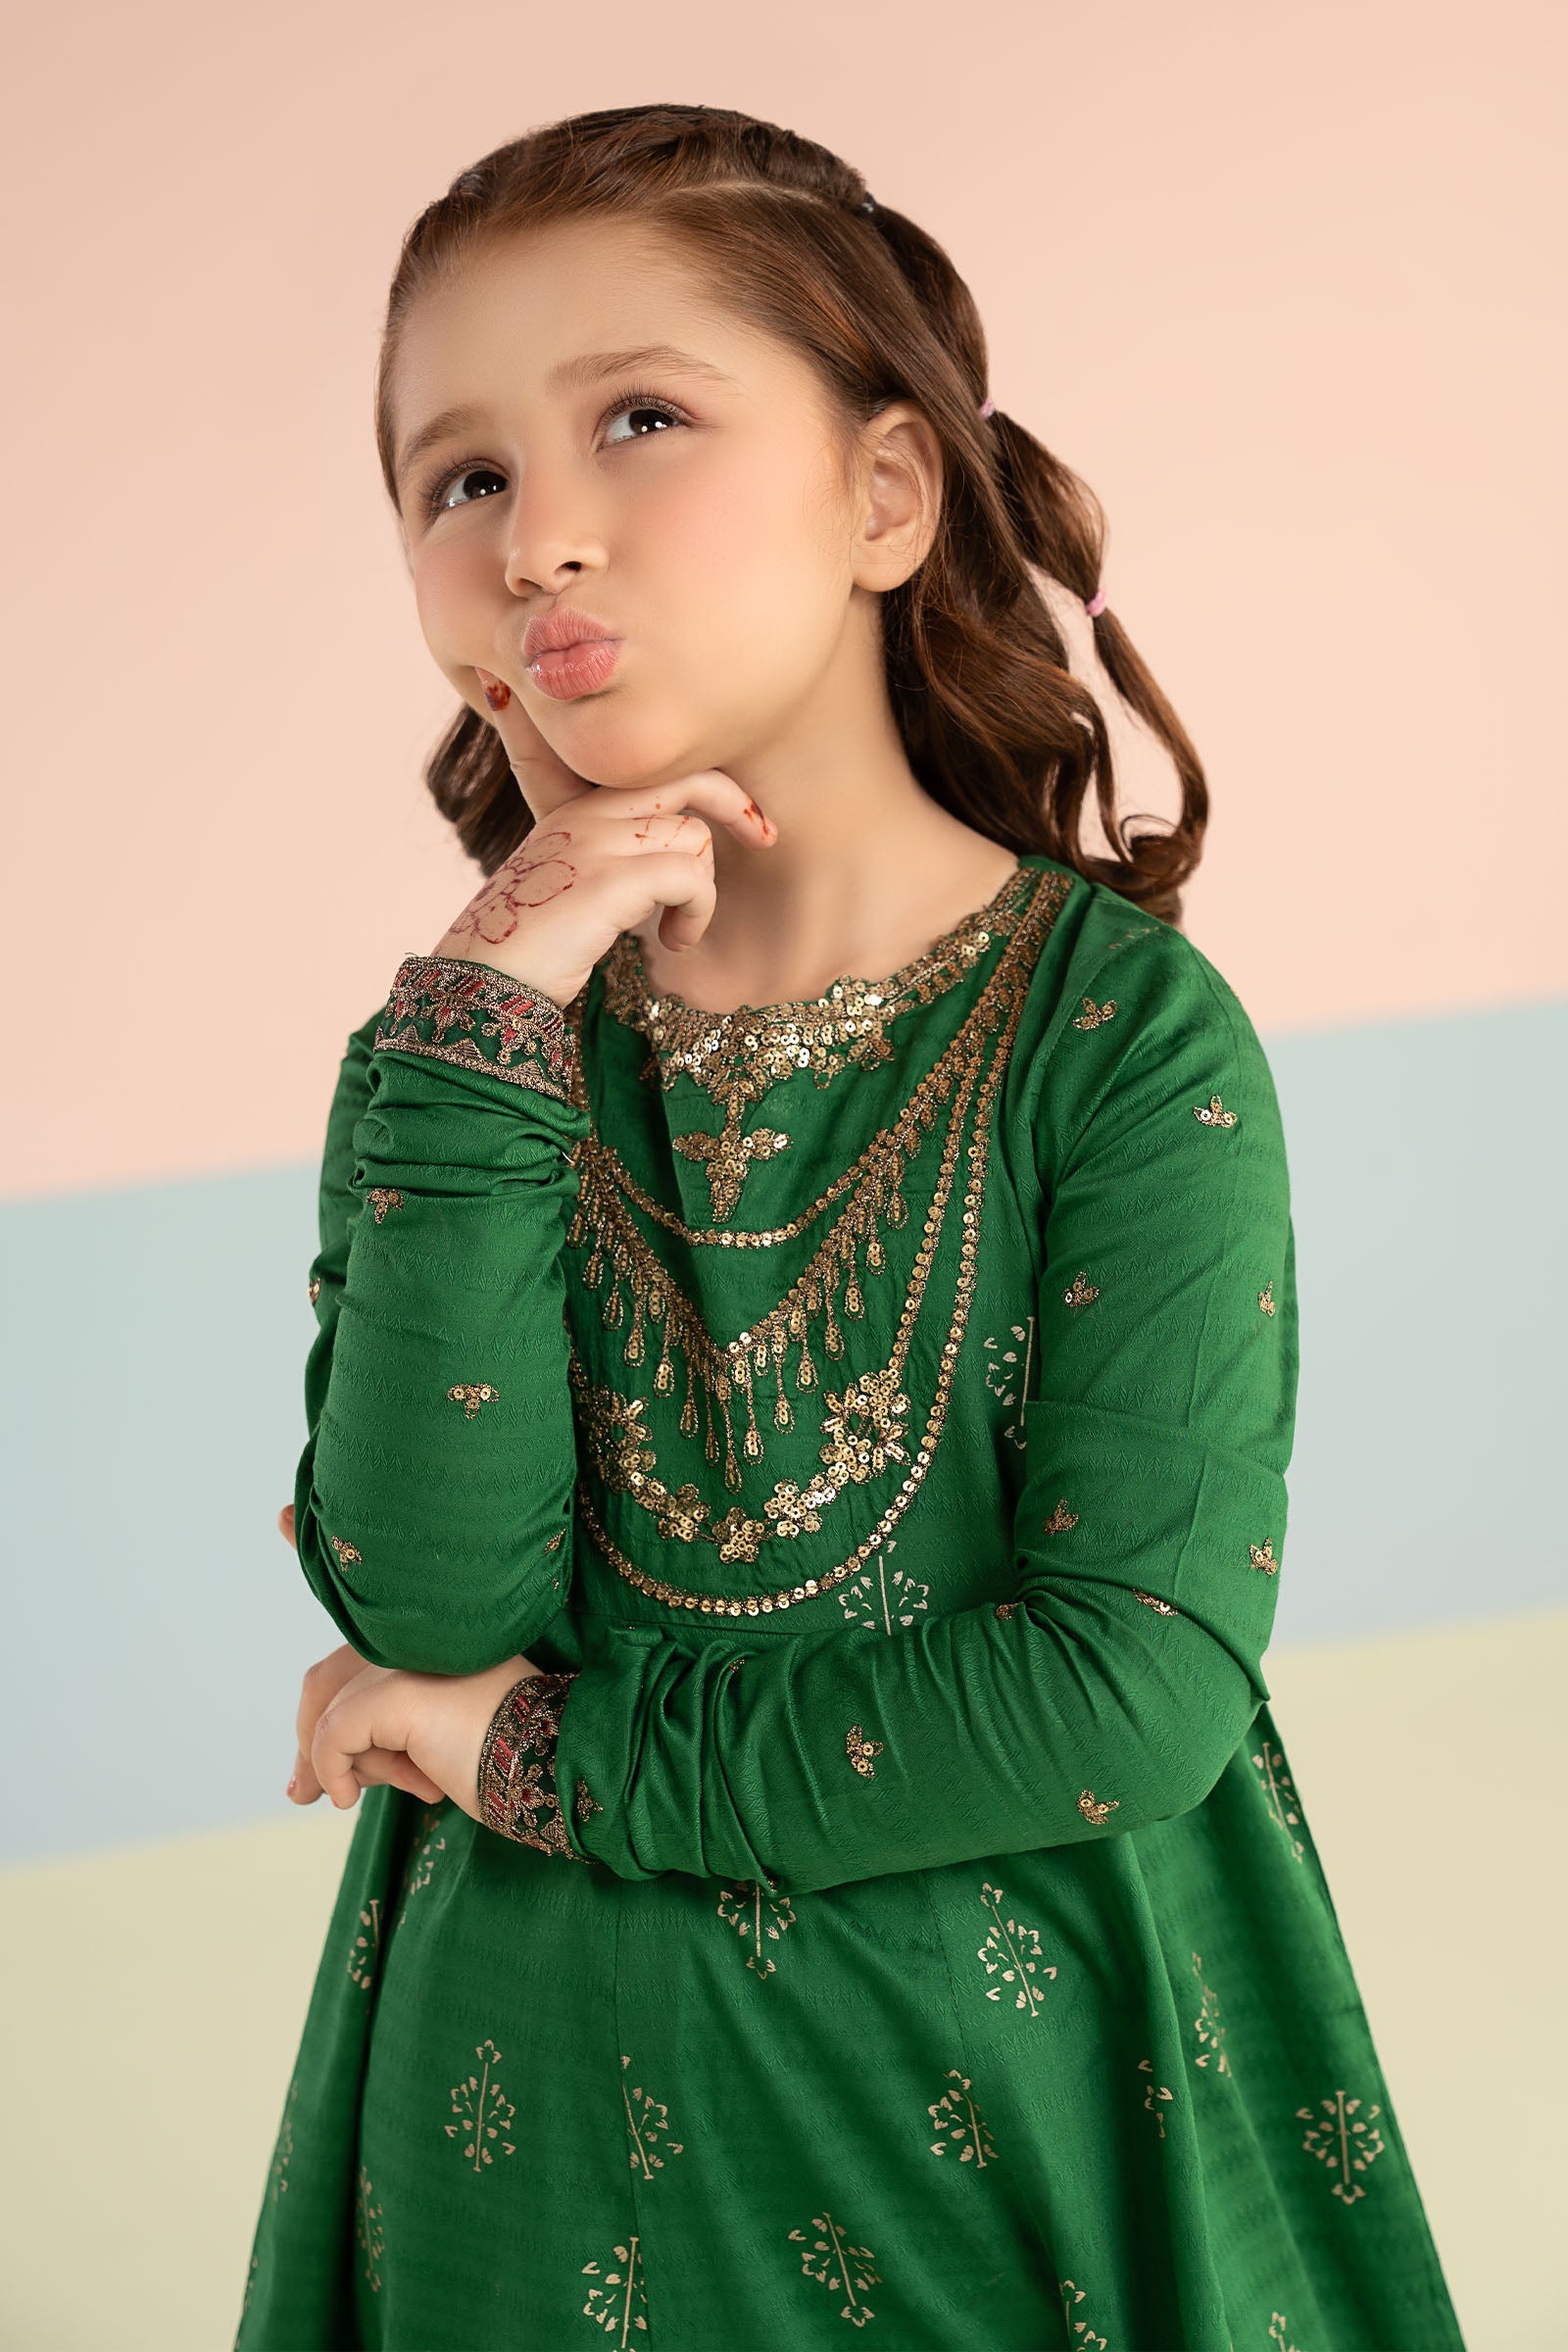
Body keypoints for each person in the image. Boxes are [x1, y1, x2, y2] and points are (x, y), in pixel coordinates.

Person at [234, 103, 1466, 2352]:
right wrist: (489, 1014)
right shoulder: (457, 1061)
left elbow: (1124, 1689)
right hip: (514, 2159)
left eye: (637, 417)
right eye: (458, 477)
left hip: (1010, 2155)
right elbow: (432, 1600)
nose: (536, 534)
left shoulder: (1117, 1040)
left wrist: (537, 1754)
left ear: (885, 494)